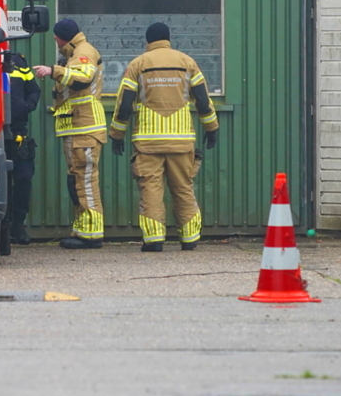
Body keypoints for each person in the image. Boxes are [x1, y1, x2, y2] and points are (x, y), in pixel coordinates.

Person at [108, 22, 219, 251]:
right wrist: (212, 129)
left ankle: (154, 240)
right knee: (183, 188)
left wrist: (117, 135)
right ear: (168, 39)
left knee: (151, 189)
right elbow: (203, 101)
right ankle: (189, 240)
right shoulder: (187, 62)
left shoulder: (138, 64)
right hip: (181, 141)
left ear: (148, 41)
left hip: (148, 142)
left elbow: (125, 105)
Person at [33, 19, 107, 249]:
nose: (54, 39)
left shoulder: (83, 52)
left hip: (85, 127)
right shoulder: (73, 53)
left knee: (84, 181)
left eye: (56, 36)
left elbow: (82, 79)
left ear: (63, 36)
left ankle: (91, 234)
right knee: (76, 180)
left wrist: (53, 71)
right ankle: (83, 230)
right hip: (77, 127)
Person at [3, 46, 41, 250]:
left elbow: (34, 90)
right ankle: (3, 226)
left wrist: (27, 106)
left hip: (18, 135)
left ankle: (18, 225)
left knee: (24, 179)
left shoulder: (19, 61)